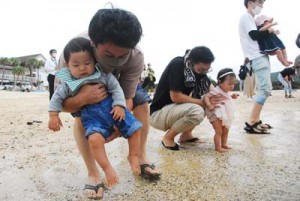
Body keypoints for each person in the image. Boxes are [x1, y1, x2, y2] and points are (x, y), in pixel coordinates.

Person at [59, 8, 160, 199]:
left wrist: (117, 123)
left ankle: (139, 155)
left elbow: (128, 96)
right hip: (84, 88)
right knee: (83, 116)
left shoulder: (136, 55)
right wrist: (83, 99)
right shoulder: (73, 54)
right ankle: (93, 172)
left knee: (142, 102)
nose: (114, 61)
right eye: (108, 54)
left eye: (122, 56)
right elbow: (60, 104)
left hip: (115, 86)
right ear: (93, 43)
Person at [48, 37, 143, 191]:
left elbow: (116, 88)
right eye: (76, 65)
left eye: (87, 63)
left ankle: (133, 155)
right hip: (92, 119)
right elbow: (56, 98)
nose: (82, 68)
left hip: (114, 110)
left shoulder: (103, 75)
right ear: (67, 65)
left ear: (94, 60)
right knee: (94, 140)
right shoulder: (68, 83)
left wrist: (119, 105)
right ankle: (106, 168)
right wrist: (53, 116)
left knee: (135, 129)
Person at [150, 46, 220, 151]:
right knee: (198, 110)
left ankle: (186, 135)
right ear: (192, 62)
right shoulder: (178, 64)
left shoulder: (199, 72)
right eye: (201, 69)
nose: (203, 72)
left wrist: (224, 97)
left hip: (173, 110)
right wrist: (203, 102)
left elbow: (213, 91)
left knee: (208, 103)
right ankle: (168, 138)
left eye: (207, 70)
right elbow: (175, 96)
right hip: (158, 114)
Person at [239, 0, 273, 134]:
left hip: (259, 56)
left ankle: (256, 119)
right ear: (250, 2)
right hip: (256, 56)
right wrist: (269, 30)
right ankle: (252, 122)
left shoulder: (251, 19)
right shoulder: (246, 17)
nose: (261, 5)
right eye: (259, 2)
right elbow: (253, 35)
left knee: (265, 88)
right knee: (264, 89)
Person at [204, 68, 239, 153]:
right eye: (229, 84)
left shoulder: (225, 91)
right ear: (220, 82)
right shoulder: (216, 90)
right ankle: (217, 147)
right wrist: (209, 105)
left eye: (233, 84)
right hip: (216, 114)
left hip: (224, 114)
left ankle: (224, 144)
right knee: (219, 131)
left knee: (226, 129)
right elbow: (206, 97)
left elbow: (225, 98)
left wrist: (232, 97)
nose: (232, 86)